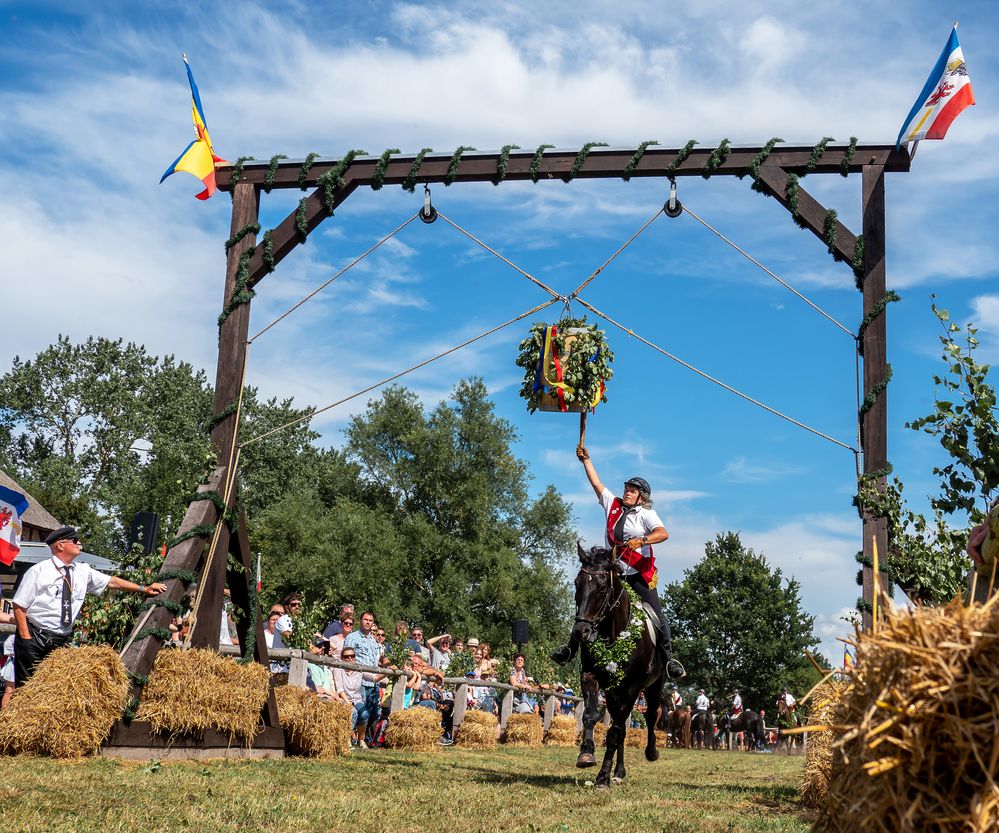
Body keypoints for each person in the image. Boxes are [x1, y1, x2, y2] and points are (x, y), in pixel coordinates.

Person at [551, 448, 685, 679]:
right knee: (587, 603)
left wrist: (642, 540)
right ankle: (569, 649)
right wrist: (586, 460)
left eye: (632, 491)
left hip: (637, 574)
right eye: (626, 489)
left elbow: (663, 534)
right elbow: (596, 483)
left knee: (656, 615)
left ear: (642, 496)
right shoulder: (613, 504)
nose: (627, 493)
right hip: (613, 573)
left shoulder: (645, 514)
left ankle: (669, 659)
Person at [11, 526, 166, 685]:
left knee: (53, 690)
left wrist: (143, 588)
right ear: (60, 545)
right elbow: (19, 605)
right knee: (27, 691)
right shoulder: (39, 571)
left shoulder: (82, 570)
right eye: (75, 541)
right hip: (35, 638)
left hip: (60, 640)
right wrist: (26, 638)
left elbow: (111, 582)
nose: (79, 543)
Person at [343, 611, 381, 748]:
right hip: (359, 680)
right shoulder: (352, 637)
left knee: (372, 713)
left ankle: (362, 739)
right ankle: (351, 739)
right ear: (360, 620)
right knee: (360, 712)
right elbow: (346, 657)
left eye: (370, 620)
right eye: (365, 619)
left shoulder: (373, 640)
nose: (368, 622)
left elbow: (375, 661)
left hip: (373, 680)